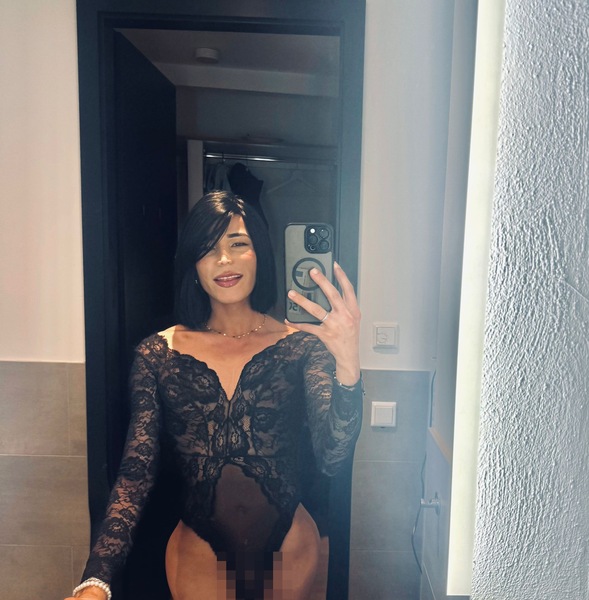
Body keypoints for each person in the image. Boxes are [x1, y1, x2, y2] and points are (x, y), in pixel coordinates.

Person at [67, 190, 363, 600]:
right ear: (193, 264)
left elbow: (333, 456)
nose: (224, 260)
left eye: (238, 244)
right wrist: (95, 579)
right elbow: (135, 475)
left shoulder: (302, 348)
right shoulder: (159, 355)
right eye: (207, 249)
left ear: (259, 254)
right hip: (199, 553)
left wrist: (348, 363)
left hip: (289, 547)